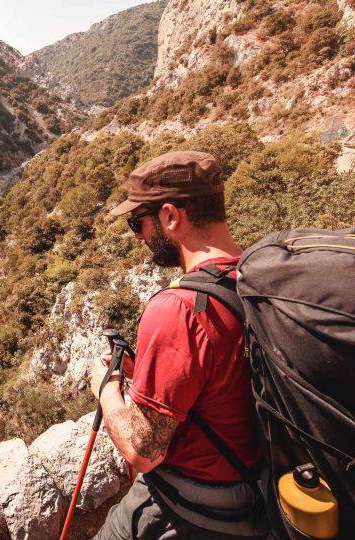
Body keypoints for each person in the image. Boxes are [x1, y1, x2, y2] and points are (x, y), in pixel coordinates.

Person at [90, 151, 268, 539]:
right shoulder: (254, 277)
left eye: (138, 223)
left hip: (191, 508)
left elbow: (144, 451)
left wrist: (106, 388)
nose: (138, 236)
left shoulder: (180, 309)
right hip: (257, 491)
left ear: (170, 217)